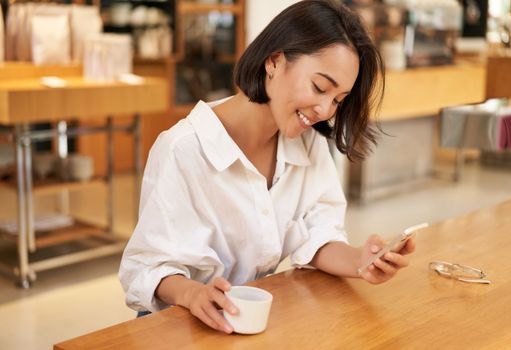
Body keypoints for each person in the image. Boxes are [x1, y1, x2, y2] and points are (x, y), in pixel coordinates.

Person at [119, 0, 415, 334]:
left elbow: (317, 235)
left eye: (338, 100)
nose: (325, 109)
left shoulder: (308, 143)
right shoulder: (183, 149)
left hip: (246, 323)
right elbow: (147, 266)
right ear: (274, 61)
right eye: (319, 87)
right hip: (180, 324)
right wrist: (194, 294)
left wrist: (360, 261)